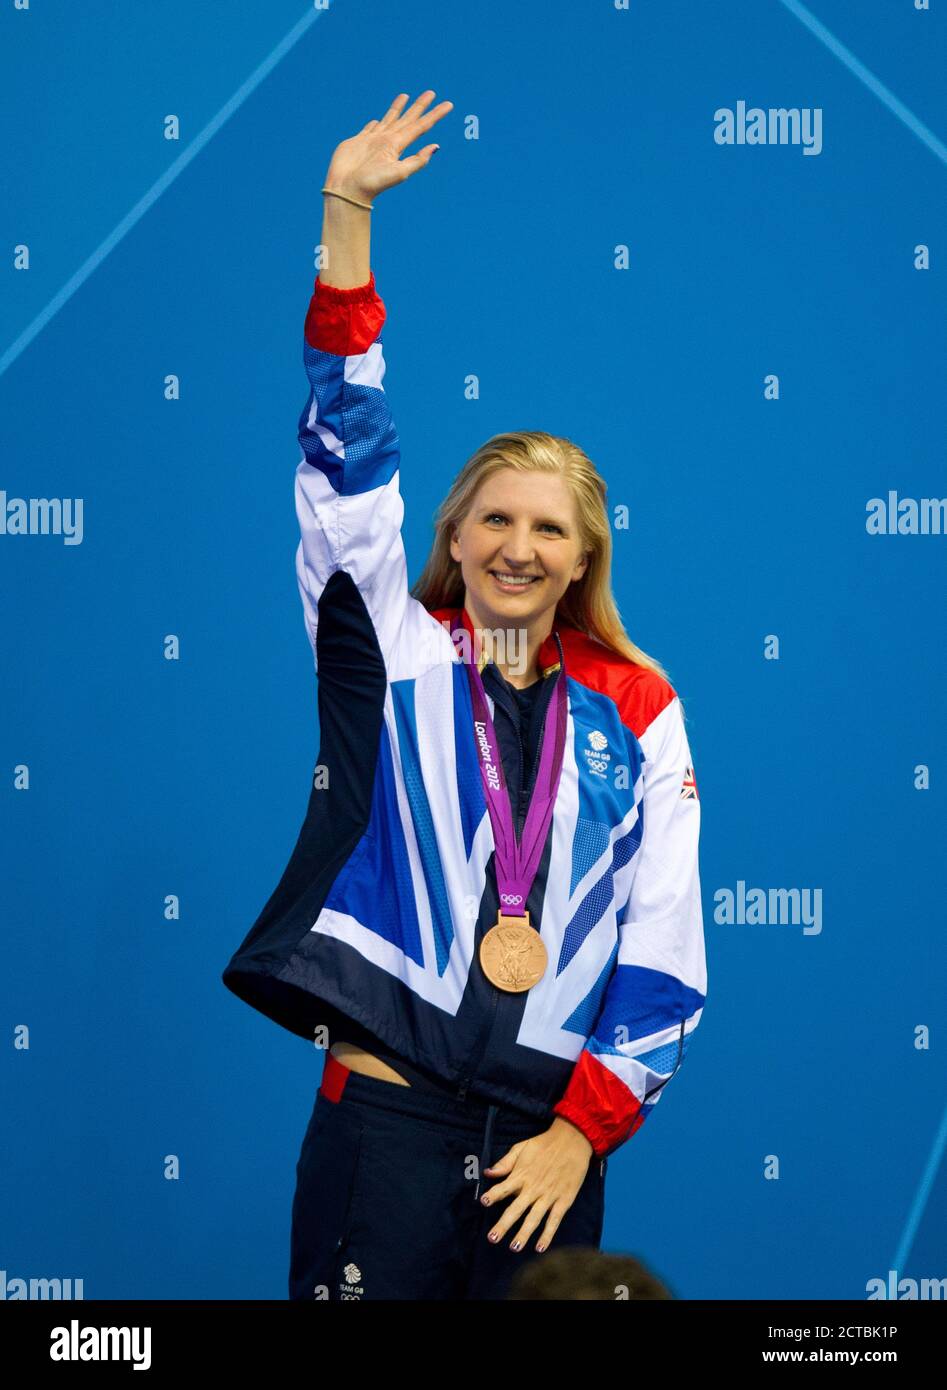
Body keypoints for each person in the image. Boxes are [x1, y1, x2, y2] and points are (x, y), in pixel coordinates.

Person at [221, 90, 707, 1302]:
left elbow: (664, 941)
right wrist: (346, 219)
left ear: (583, 558)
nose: (516, 547)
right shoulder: (392, 650)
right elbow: (346, 456)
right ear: (450, 531)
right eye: (493, 518)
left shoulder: (639, 708)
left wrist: (581, 1133)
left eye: (547, 528)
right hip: (384, 1124)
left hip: (545, 1151)